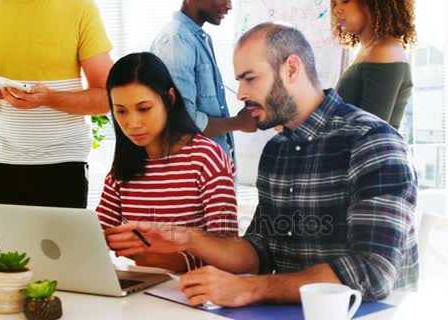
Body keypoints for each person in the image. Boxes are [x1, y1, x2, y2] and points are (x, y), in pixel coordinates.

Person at [104, 23, 419, 307]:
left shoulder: (372, 141)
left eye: (250, 79)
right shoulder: (277, 151)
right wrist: (185, 237)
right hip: (289, 312)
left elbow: (373, 271)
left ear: (291, 69)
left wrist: (252, 289)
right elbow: (258, 252)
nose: (241, 93)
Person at [0, 0, 114, 250]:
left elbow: (107, 96)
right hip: (6, 164)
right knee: (9, 273)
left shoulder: (80, 7)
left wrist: (50, 98)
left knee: (62, 274)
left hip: (63, 163)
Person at [96, 52, 238, 272]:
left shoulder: (206, 159)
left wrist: (171, 261)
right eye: (121, 111)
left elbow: (230, 254)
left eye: (144, 109)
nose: (132, 123)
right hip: (145, 290)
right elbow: (98, 235)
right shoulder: (122, 168)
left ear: (169, 99)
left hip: (195, 290)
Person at [150, 0, 257, 160]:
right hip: (193, 177)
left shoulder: (196, 38)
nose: (229, 6)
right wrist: (239, 122)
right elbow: (182, 120)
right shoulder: (176, 41)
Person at [330, 0, 416, 130]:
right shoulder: (369, 50)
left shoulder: (384, 50)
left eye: (345, 1)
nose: (337, 10)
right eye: (335, 4)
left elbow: (370, 132)